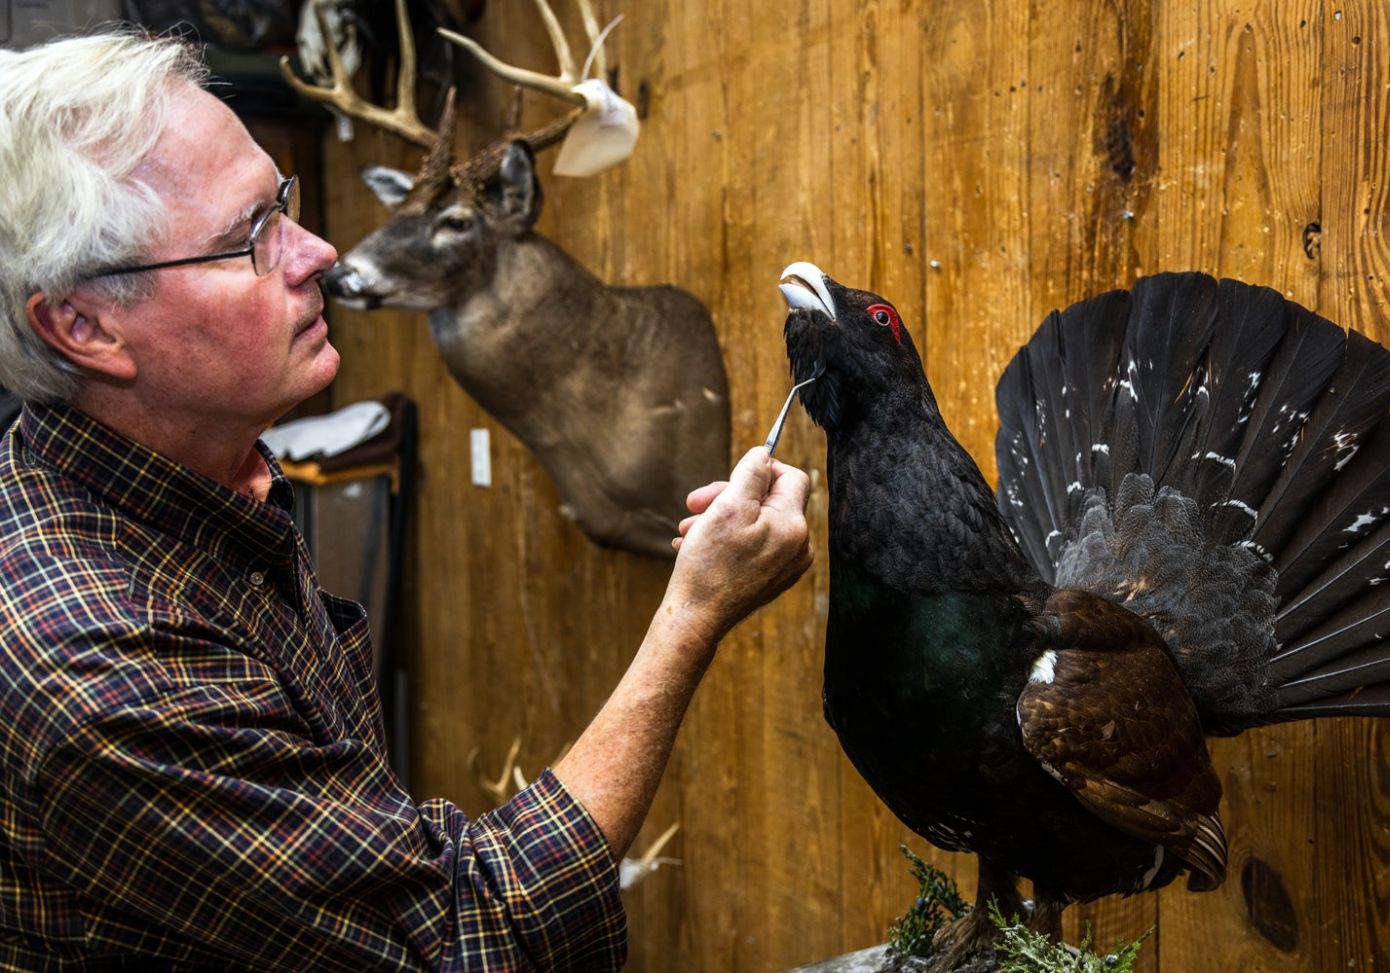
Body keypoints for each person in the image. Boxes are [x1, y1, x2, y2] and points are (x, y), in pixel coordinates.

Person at [0, 30, 812, 971]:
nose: (317, 252)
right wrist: (693, 613)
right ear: (82, 325)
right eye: (247, 238)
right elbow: (471, 935)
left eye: (284, 204)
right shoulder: (93, 661)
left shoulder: (201, 482)